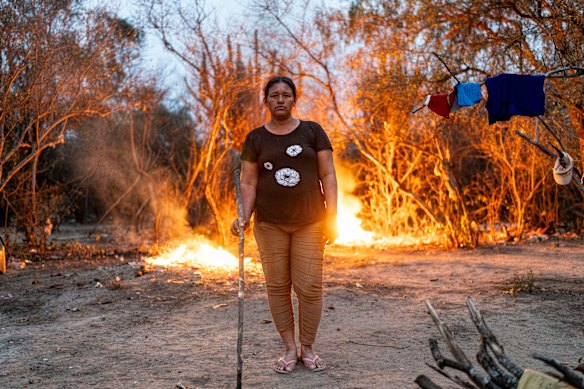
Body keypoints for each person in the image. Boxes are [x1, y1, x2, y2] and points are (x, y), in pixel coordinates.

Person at [231, 75, 338, 374]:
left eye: (286, 95)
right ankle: (290, 348)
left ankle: (309, 347)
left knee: (309, 287)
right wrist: (243, 216)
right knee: (277, 287)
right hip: (269, 224)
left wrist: (333, 217)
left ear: (294, 99)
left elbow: (328, 176)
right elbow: (249, 182)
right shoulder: (255, 139)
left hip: (311, 221)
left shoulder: (313, 131)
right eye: (274, 95)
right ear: (265, 100)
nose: (280, 99)